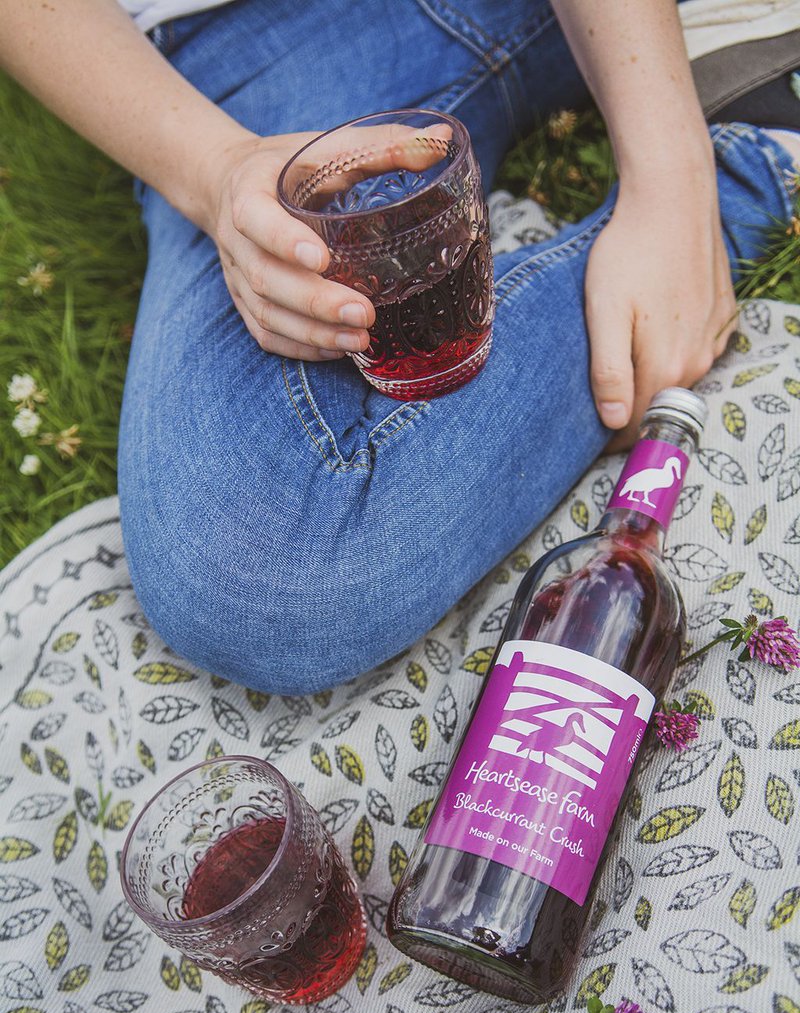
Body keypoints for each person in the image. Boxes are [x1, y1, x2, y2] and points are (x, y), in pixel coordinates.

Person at [1, 0, 797, 695]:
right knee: (257, 573)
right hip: (232, 51)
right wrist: (215, 170)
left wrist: (673, 182)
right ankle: (747, 133)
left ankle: (744, 172)